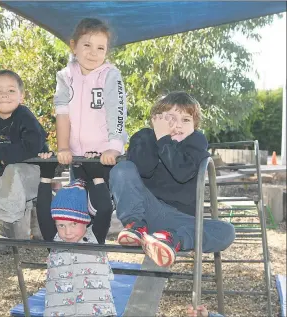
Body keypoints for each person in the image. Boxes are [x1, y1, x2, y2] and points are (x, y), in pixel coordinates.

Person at [109, 91, 236, 267]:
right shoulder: (144, 137)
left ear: (194, 125)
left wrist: (165, 141)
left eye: (186, 120)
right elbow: (143, 169)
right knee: (122, 169)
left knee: (226, 231)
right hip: (146, 210)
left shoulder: (196, 143)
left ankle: (170, 241)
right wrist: (158, 137)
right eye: (171, 118)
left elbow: (182, 173)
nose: (178, 125)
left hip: (179, 221)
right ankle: (135, 226)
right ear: (156, 119)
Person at [52, 17, 128, 238]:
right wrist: (63, 147)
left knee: (102, 206)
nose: (93, 52)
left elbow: (118, 111)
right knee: (80, 209)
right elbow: (62, 113)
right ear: (73, 46)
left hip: (104, 156)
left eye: (100, 48)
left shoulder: (110, 75)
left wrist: (114, 146)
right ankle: (81, 251)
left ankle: (99, 250)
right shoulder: (65, 77)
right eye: (87, 45)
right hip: (78, 156)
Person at [0, 70, 49, 227]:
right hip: (8, 174)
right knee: (3, 182)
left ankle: (2, 224)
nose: (4, 95)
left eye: (11, 90)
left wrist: (1, 152)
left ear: (22, 96)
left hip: (36, 173)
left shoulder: (25, 117)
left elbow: (33, 145)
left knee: (12, 172)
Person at [44, 179, 116, 317]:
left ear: (85, 221)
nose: (67, 232)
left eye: (74, 224)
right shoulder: (56, 241)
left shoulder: (94, 238)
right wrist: (45, 177)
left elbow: (106, 208)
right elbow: (42, 208)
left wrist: (95, 176)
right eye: (61, 225)